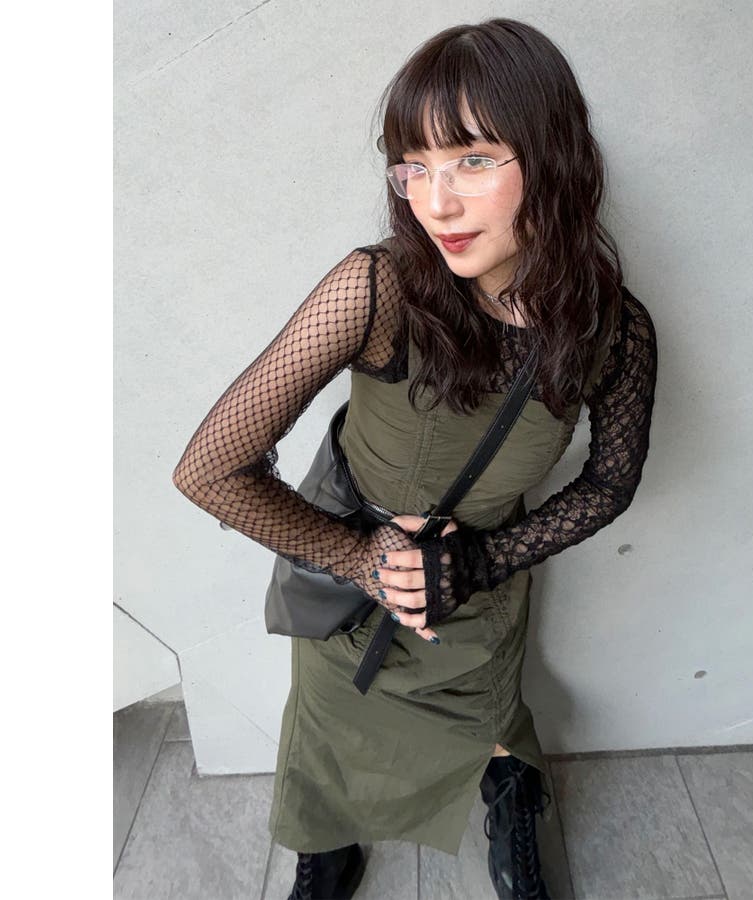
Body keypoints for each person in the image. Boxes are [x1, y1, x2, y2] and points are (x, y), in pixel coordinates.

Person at [172, 17, 657, 900]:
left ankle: (511, 799)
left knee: (490, 717)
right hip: (355, 592)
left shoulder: (612, 328)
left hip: (482, 588)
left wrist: (483, 561)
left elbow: (611, 481)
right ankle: (326, 843)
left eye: (473, 159)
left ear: (555, 157)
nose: (436, 204)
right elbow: (208, 468)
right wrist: (363, 559)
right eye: (414, 166)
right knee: (331, 730)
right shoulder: (377, 288)